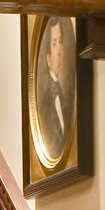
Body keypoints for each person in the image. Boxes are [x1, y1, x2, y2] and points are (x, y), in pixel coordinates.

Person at [32, 18, 73, 168]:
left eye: (61, 42)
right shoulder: (45, 106)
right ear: (48, 58)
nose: (59, 51)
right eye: (54, 44)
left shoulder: (63, 98)